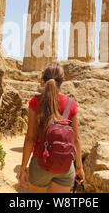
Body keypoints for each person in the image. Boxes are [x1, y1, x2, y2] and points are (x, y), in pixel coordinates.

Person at [19, 62, 85, 193]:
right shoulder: (70, 104)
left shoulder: (35, 102)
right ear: (62, 81)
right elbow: (76, 140)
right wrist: (79, 167)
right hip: (65, 165)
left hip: (40, 163)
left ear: (43, 80)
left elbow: (30, 139)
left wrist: (23, 168)